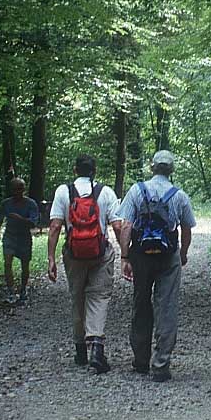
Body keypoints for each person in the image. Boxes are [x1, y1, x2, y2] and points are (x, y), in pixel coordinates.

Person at [116, 150, 196, 382]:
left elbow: (126, 226)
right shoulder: (179, 195)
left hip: (141, 255)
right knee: (167, 306)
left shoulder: (136, 190)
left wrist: (125, 257)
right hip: (167, 255)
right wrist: (182, 254)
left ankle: (141, 360)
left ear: (152, 168)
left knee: (141, 303)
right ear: (171, 171)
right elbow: (187, 229)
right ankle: (161, 364)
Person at [46, 155, 122, 374]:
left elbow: (54, 227)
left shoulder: (63, 191)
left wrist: (51, 259)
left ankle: (80, 350)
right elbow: (117, 226)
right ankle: (97, 348)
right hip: (100, 253)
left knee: (77, 297)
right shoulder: (105, 192)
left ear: (74, 170)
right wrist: (126, 254)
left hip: (74, 254)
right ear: (94, 171)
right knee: (98, 298)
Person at [0, 177, 39, 303]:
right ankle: (10, 291)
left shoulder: (31, 204)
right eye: (15, 189)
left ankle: (23, 289)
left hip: (24, 237)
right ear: (11, 190)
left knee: (25, 265)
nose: (17, 192)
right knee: (7, 263)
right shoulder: (6, 203)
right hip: (9, 236)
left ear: (24, 189)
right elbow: (0, 217)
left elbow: (33, 223)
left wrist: (20, 219)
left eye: (20, 189)